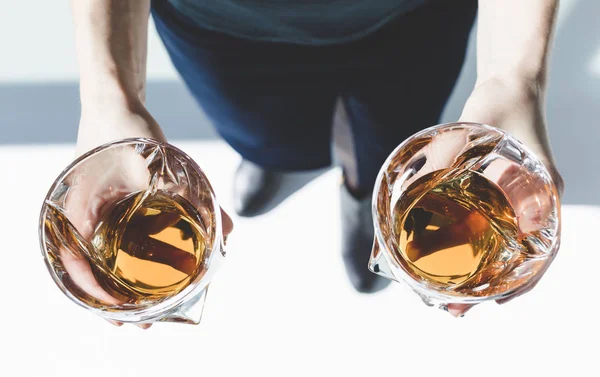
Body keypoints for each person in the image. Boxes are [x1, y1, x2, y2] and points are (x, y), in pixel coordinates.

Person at [69, 0, 564, 323]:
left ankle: (361, 196)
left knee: (398, 153)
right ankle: (282, 159)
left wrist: (512, 78)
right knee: (263, 134)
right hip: (222, 29)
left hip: (415, 19)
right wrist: (107, 94)